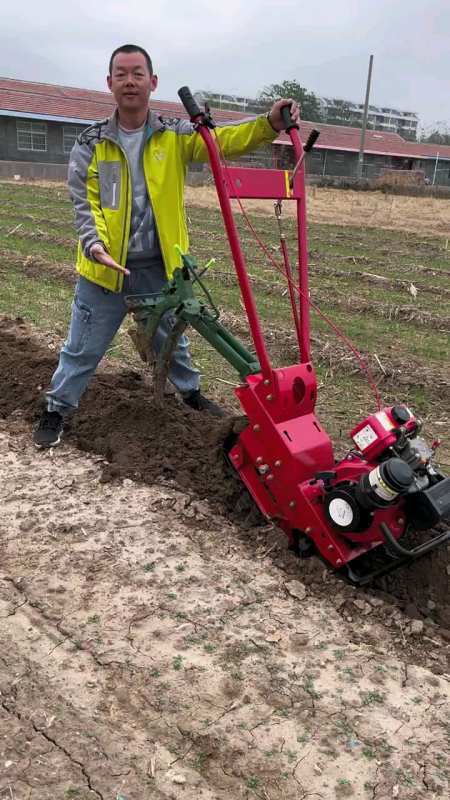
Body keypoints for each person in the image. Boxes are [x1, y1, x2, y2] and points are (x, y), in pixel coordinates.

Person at [33, 44, 300, 448]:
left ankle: (190, 395)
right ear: (109, 83)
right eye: (121, 74)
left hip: (160, 267)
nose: (129, 81)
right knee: (82, 348)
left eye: (137, 73)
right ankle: (57, 409)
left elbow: (221, 140)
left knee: (173, 341)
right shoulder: (92, 143)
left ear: (153, 82)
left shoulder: (173, 135)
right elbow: (85, 204)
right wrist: (95, 246)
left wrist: (268, 124)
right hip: (105, 270)